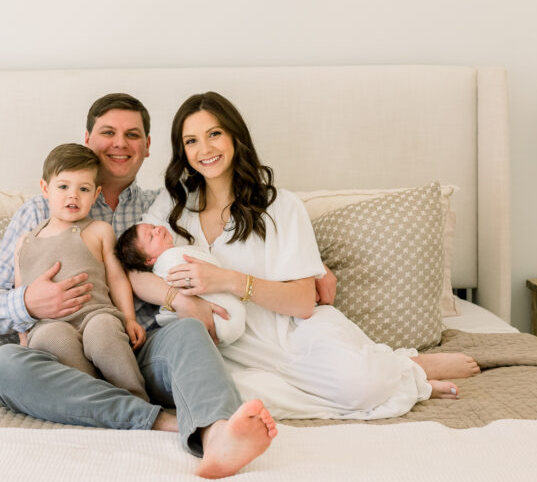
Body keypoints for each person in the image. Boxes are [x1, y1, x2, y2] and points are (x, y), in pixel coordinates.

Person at [0, 93, 276, 479]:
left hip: (142, 349)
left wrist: (314, 272)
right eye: (108, 132)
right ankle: (159, 420)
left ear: (147, 147)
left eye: (132, 134)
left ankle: (218, 435)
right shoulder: (41, 210)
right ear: (88, 139)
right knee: (5, 367)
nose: (120, 143)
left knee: (188, 331)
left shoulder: (165, 206)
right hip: (64, 362)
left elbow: (218, 247)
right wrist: (29, 303)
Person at [136, 91, 480, 420]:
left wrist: (227, 279)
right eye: (191, 140)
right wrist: (176, 299)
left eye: (214, 134)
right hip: (225, 347)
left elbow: (302, 301)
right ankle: (400, 375)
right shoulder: (173, 205)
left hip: (292, 332)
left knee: (362, 385)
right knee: (218, 394)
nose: (205, 149)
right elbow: (133, 273)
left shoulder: (279, 206)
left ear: (235, 138)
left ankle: (405, 370)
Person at [13, 143, 148, 401]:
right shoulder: (25, 242)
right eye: (63, 187)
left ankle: (136, 398)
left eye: (83, 189)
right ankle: (99, 398)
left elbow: (117, 278)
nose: (73, 195)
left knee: (104, 331)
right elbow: (21, 293)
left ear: (96, 193)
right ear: (45, 189)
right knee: (52, 338)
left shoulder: (98, 231)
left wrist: (129, 318)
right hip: (48, 324)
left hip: (95, 314)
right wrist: (23, 338)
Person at [115, 222, 245, 345]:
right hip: (218, 321)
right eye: (151, 237)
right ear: (150, 260)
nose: (157, 229)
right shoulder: (168, 261)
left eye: (153, 227)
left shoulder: (180, 250)